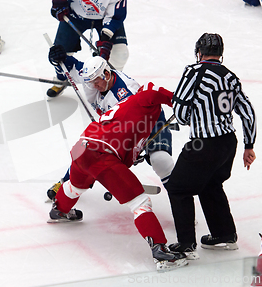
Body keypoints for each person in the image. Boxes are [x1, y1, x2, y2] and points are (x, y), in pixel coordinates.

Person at [48, 82, 188, 272]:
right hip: (101, 154)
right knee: (140, 203)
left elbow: (125, 151)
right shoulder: (140, 99)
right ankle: (160, 251)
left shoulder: (126, 108)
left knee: (75, 186)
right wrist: (175, 100)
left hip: (82, 148)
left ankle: (59, 209)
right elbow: (151, 91)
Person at [165, 33, 257, 260]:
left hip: (203, 143)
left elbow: (182, 112)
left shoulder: (194, 72)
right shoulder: (231, 77)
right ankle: (224, 234)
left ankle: (186, 244)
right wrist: (249, 145)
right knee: (210, 184)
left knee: (178, 188)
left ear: (199, 52)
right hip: (228, 144)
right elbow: (247, 111)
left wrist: (184, 115)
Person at [45, 45, 176, 201]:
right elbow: (70, 66)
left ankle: (181, 200)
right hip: (119, 122)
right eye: (90, 83)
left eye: (96, 82)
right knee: (89, 148)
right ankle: (66, 182)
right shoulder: (94, 76)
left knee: (161, 160)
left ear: (106, 74)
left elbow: (131, 130)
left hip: (149, 122)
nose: (94, 86)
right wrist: (58, 58)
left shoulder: (125, 93)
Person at [46, 0, 129, 98]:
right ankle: (61, 80)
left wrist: (105, 39)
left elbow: (116, 17)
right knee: (59, 53)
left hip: (103, 19)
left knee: (120, 53)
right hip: (75, 15)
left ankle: (111, 83)